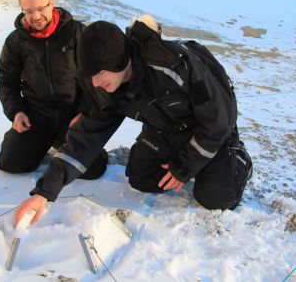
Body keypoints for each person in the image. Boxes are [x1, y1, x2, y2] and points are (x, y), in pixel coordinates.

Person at [14, 15, 252, 225]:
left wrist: (185, 166)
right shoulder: (109, 87)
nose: (94, 83)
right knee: (142, 179)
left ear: (118, 62)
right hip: (164, 130)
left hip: (210, 130)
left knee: (216, 199)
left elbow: (219, 119)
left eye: (98, 74)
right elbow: (84, 140)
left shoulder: (174, 65)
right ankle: (191, 160)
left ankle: (234, 158)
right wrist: (44, 193)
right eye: (90, 76)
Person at [0, 0, 107, 179]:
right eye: (28, 11)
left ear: (51, 3)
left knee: (93, 171)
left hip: (72, 115)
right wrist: (16, 111)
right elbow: (6, 81)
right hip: (36, 116)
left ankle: (76, 144)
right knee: (10, 164)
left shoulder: (77, 33)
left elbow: (96, 78)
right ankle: (34, 142)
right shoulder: (15, 41)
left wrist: (84, 112)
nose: (35, 16)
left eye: (40, 8)